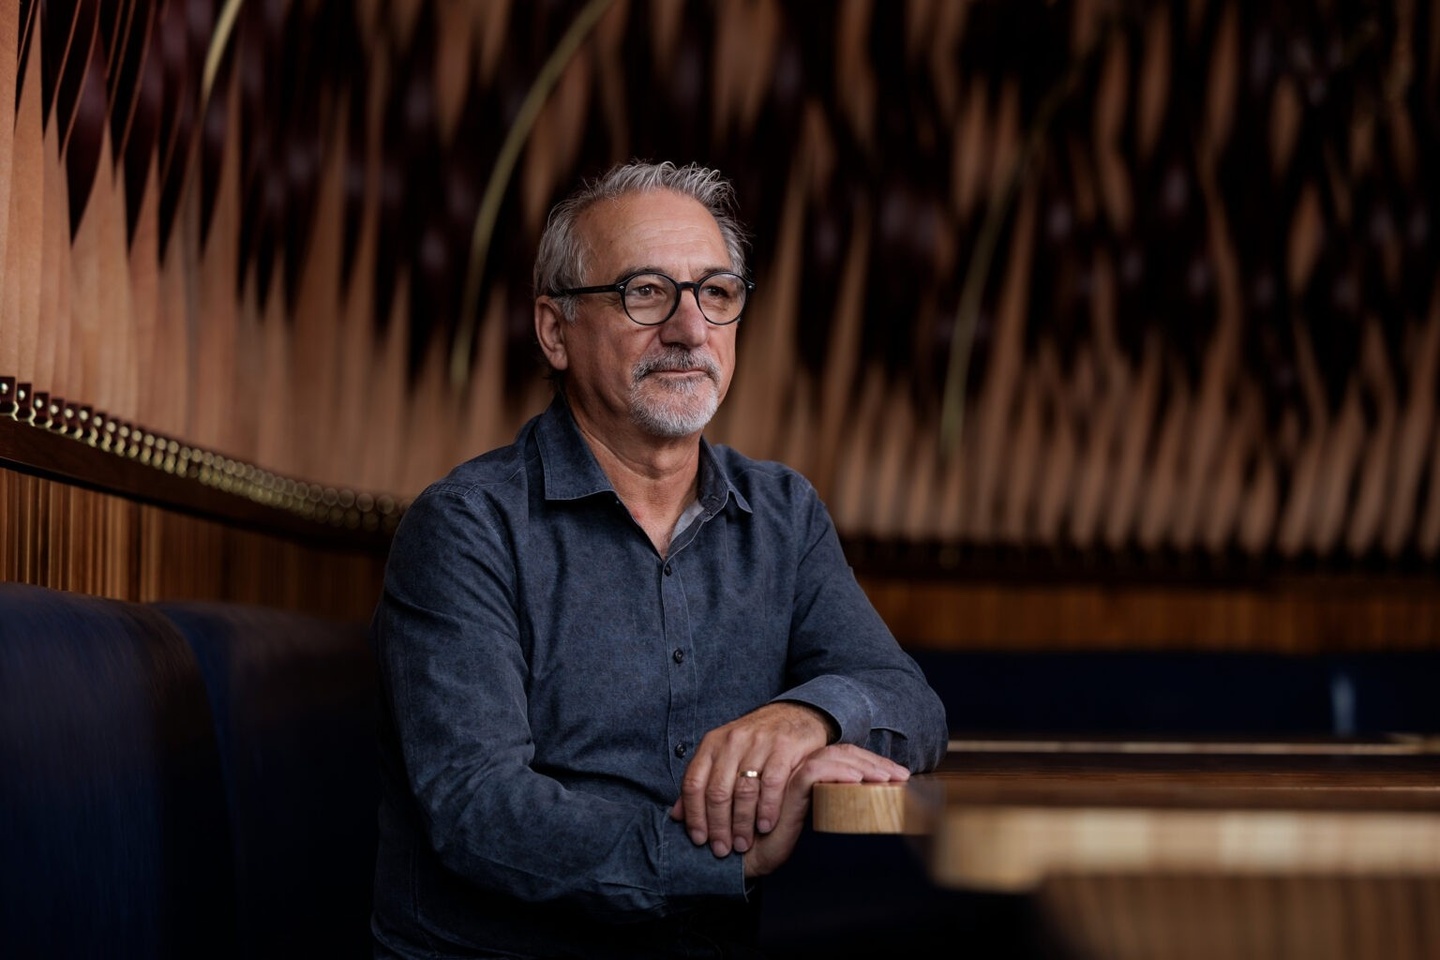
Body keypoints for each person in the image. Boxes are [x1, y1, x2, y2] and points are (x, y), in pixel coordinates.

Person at [369, 160, 949, 959]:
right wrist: (730, 856)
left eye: (716, 293)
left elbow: (911, 705)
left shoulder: (782, 515)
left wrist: (808, 717)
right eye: (645, 292)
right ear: (554, 330)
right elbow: (478, 811)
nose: (689, 328)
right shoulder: (467, 529)